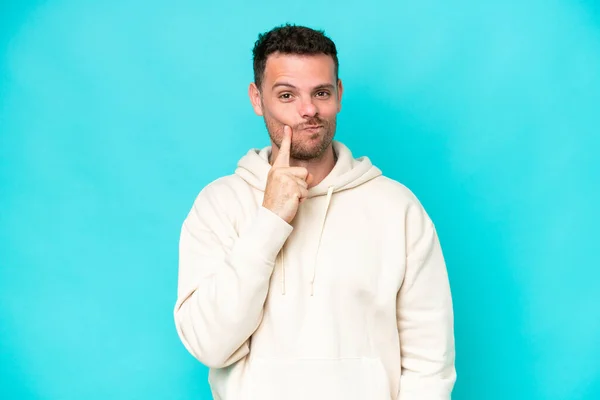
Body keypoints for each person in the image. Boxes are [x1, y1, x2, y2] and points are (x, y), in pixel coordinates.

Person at [173, 23, 456, 400]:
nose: (308, 110)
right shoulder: (219, 205)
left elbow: (429, 363)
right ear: (257, 99)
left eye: (320, 92)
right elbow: (209, 344)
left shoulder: (397, 208)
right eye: (287, 95)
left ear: (338, 94)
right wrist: (269, 221)